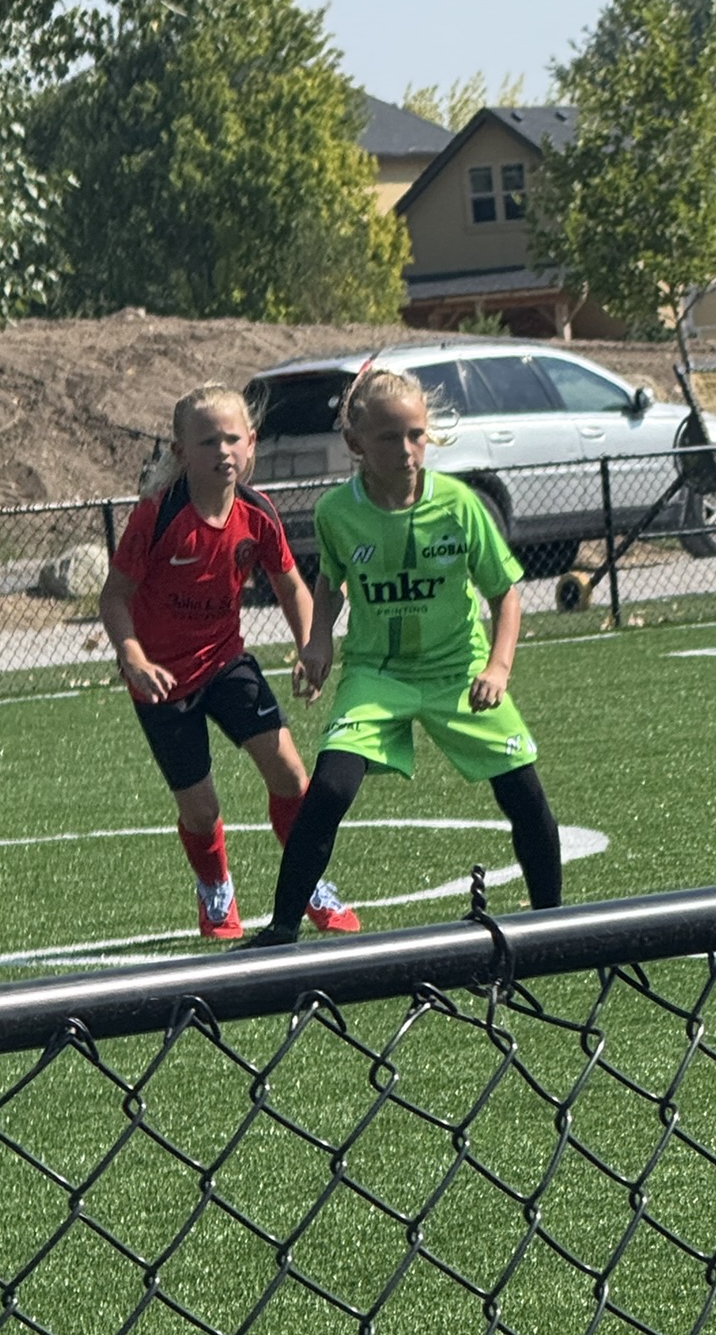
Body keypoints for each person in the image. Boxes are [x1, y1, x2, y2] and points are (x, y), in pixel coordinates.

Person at [245, 367, 561, 947]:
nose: (408, 449)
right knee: (331, 789)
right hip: (376, 675)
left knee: (523, 790)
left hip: (458, 671)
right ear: (356, 443)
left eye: (416, 434)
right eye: (390, 438)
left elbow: (505, 592)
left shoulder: (460, 505)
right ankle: (282, 928)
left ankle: (553, 926)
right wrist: (317, 644)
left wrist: (498, 668)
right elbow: (331, 581)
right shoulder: (338, 512)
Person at [100, 384, 360, 942]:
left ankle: (308, 880)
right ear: (180, 453)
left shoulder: (257, 512)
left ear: (251, 445)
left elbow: (290, 585)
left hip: (225, 662)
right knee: (201, 808)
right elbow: (114, 597)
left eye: (232, 438)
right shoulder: (157, 516)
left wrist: (311, 645)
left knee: (291, 773)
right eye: (207, 440)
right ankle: (215, 888)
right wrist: (133, 656)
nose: (223, 450)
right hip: (160, 682)